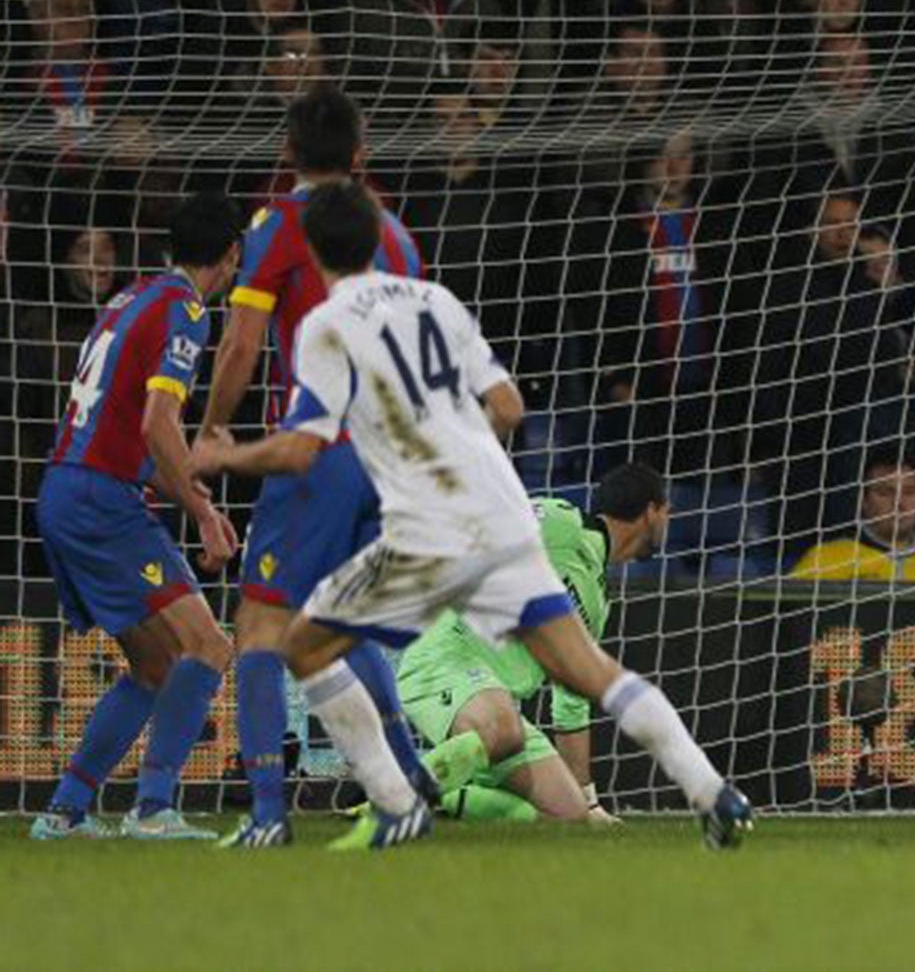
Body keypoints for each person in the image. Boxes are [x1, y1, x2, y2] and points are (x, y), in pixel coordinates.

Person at [192, 181, 752, 851]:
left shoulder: (324, 325)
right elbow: (510, 408)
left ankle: (397, 803)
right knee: (590, 670)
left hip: (432, 526)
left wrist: (224, 454)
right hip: (505, 510)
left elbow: (303, 446)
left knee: (306, 643)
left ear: (311, 251)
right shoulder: (438, 302)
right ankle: (713, 791)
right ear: (378, 239)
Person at [198, 89, 429, 849]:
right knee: (341, 616)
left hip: (321, 449)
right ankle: (408, 778)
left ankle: (268, 812)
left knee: (260, 620)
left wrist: (213, 429)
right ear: (361, 155)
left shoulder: (278, 226)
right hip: (391, 450)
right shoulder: (394, 234)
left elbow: (241, 343)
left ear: (287, 151)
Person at [28, 193, 243, 842]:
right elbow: (156, 422)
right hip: (101, 500)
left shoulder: (128, 300)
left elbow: (122, 423)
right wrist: (203, 511)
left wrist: (183, 488)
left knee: (155, 665)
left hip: (65, 490)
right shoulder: (186, 309)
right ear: (230, 255)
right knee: (207, 645)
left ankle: (64, 811)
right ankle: (152, 809)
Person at [394, 464, 671, 825]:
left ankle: (443, 798)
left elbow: (570, 702)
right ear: (651, 512)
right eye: (667, 512)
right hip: (445, 659)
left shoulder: (598, 603)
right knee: (504, 729)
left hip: (498, 704)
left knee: (567, 815)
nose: (669, 521)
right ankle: (391, 797)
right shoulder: (562, 523)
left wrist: (590, 804)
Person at [790, 454, 915, 582]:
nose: (900, 503)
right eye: (885, 493)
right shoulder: (826, 559)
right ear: (863, 500)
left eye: (909, 493)